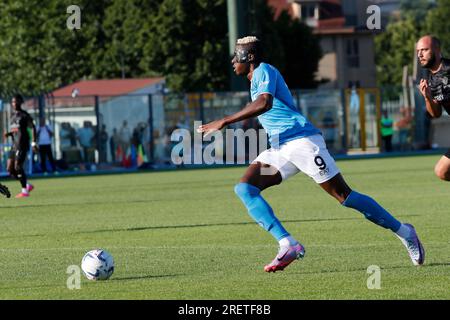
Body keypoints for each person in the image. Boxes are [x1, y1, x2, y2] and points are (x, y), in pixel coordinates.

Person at [197, 36, 424, 272]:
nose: (233, 60)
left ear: (250, 57)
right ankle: (288, 244)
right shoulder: (254, 80)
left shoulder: (264, 70)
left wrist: (224, 120)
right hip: (280, 148)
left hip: (302, 142)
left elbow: (264, 103)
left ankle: (405, 232)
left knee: (344, 196)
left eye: (237, 55)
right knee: (245, 188)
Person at [417, 35, 450, 180]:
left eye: (424, 49)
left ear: (437, 50)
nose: (420, 54)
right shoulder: (431, 81)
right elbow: (435, 114)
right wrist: (427, 97)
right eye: (418, 51)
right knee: (442, 171)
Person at [4, 94, 36, 198]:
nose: (14, 103)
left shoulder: (24, 115)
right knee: (10, 169)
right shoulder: (13, 117)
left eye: (16, 101)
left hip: (22, 145)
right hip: (14, 145)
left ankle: (24, 192)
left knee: (18, 166)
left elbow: (32, 127)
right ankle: (26, 185)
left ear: (21, 102)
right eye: (13, 102)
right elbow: (16, 131)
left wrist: (34, 142)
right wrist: (9, 134)